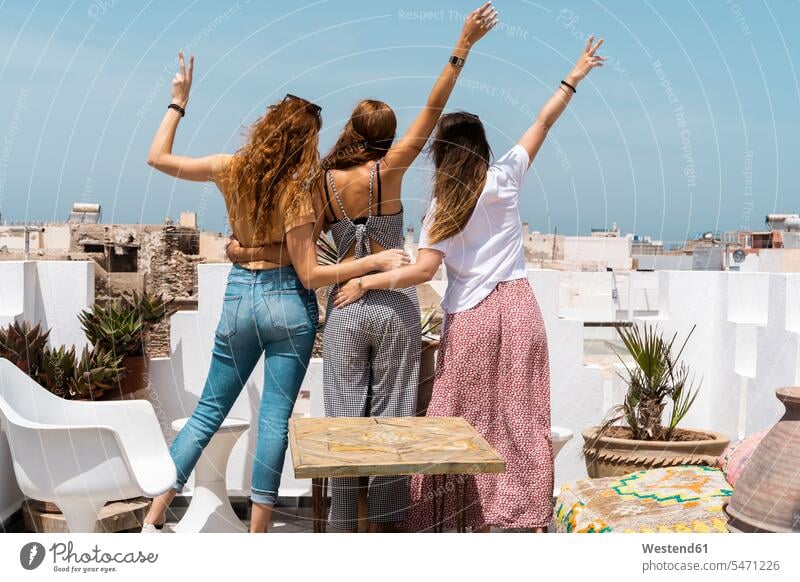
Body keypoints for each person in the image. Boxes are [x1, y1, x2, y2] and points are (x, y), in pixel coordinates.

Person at [227, 2, 498, 532]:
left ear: (351, 128)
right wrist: (462, 46)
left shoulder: (320, 183)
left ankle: (342, 532)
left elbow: (295, 245)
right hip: (395, 306)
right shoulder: (391, 171)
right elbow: (434, 103)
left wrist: (245, 251)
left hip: (345, 308)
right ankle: (385, 534)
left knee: (345, 430)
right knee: (393, 431)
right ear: (388, 134)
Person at [334, 36, 606, 532]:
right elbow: (544, 120)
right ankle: (520, 518)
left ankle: (448, 520)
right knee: (521, 420)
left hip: (473, 319)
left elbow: (420, 272)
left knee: (456, 421)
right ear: (482, 147)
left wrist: (368, 282)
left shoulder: (441, 206)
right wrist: (576, 75)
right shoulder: (505, 179)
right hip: (520, 310)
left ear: (441, 153)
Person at [141, 53, 409, 533]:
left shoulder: (230, 169)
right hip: (288, 304)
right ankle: (258, 536)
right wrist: (375, 260)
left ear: (266, 128)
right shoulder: (299, 191)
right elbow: (310, 274)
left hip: (241, 297)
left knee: (206, 412)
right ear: (305, 142)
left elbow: (156, 157)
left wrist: (177, 103)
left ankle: (153, 516)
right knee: (273, 420)